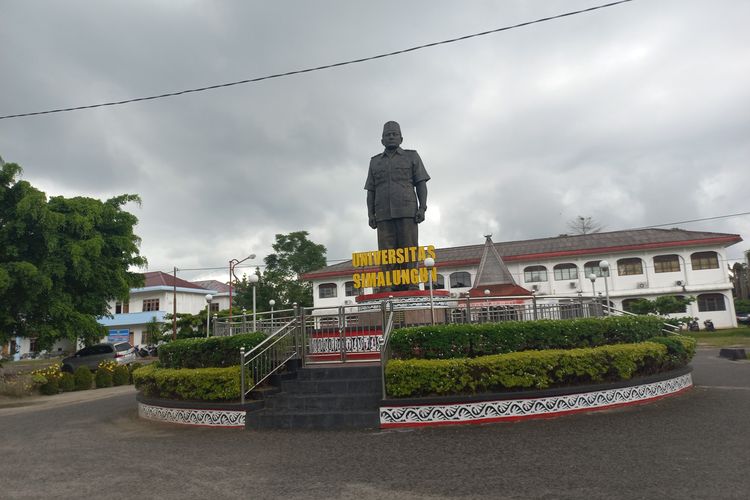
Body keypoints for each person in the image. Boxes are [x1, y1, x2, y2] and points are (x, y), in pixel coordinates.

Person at [364, 121, 430, 291]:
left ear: (401, 138)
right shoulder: (374, 162)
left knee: (409, 249)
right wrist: (370, 214)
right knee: (386, 252)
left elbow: (421, 183)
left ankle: (412, 283)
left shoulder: (412, 156)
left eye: (394, 134)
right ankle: (387, 285)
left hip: (407, 211)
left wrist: (422, 207)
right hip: (383, 213)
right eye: (388, 135)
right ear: (382, 140)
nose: (391, 137)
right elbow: (371, 190)